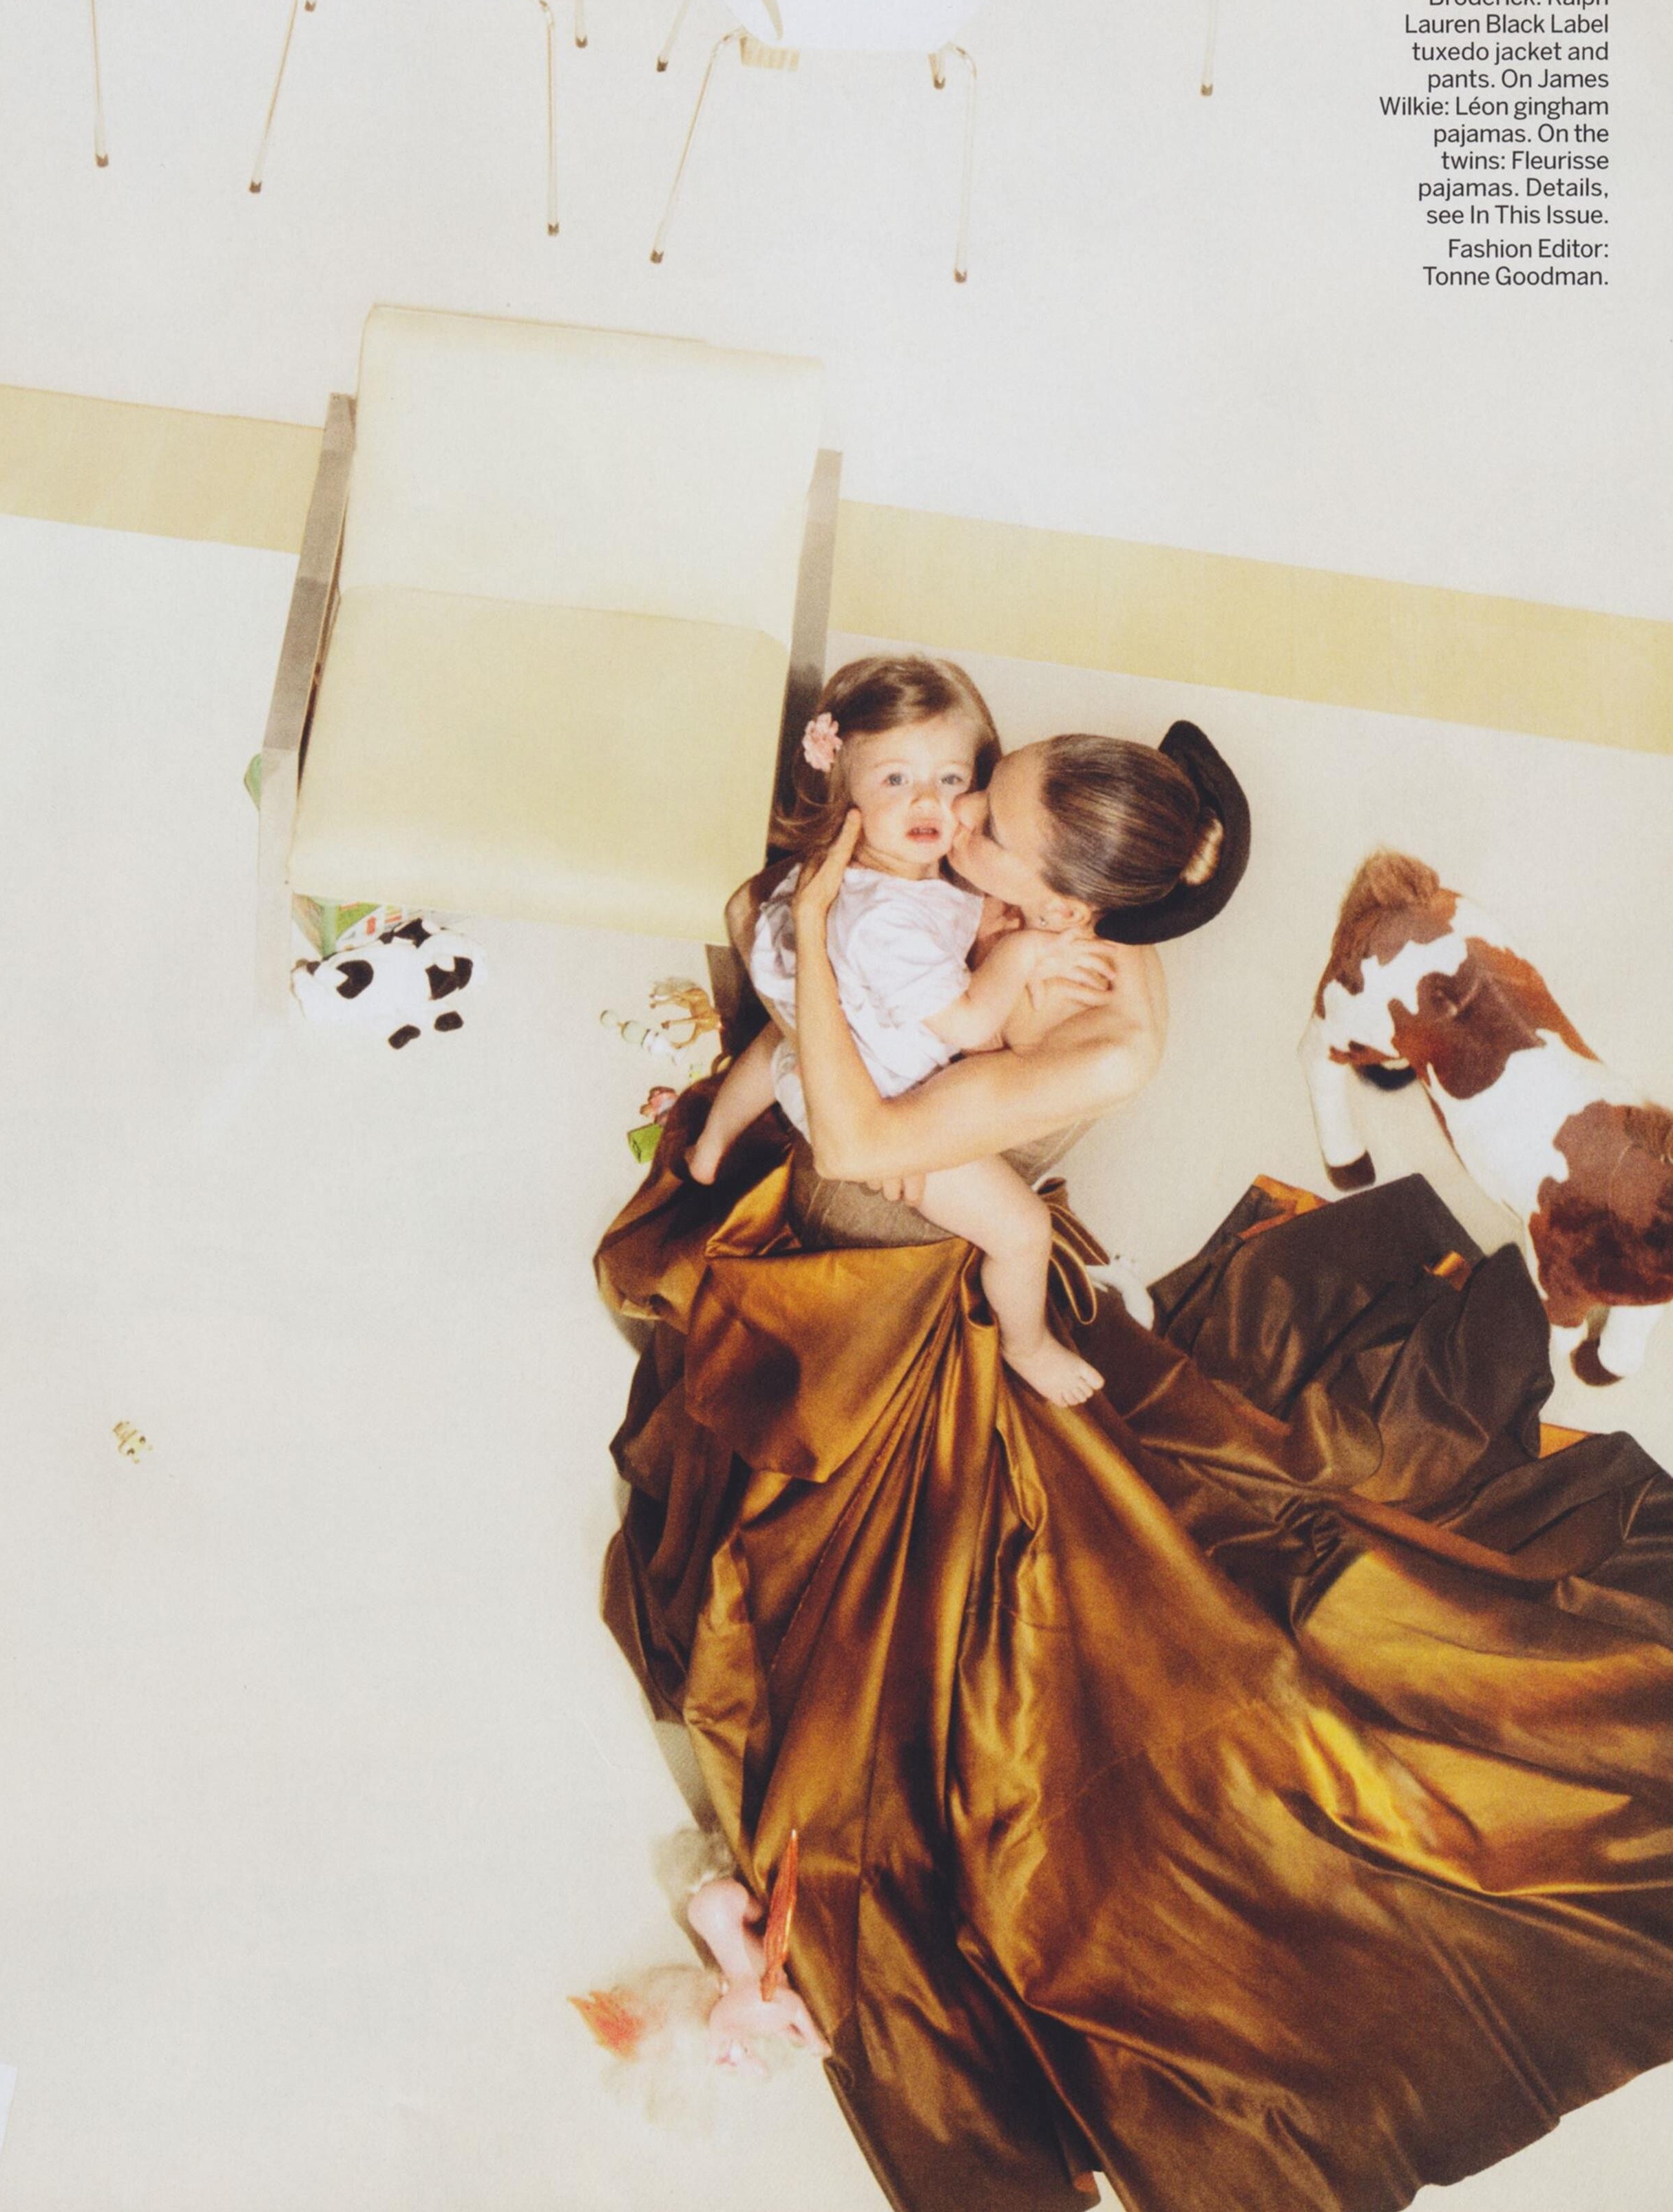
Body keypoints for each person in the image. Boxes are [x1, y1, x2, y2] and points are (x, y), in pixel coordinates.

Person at [597, 674, 1673, 2212]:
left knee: (895, 1657)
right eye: (980, 783)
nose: (954, 817)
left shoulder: (1100, 1024)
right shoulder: (1010, 899)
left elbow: (860, 1140)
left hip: (893, 1269)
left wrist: (820, 921)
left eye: (983, 816)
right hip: (865, 1224)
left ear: (1060, 904)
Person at [690, 654, 1159, 1408]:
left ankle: (712, 1142)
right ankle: (1027, 1345)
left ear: (1064, 905)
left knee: (783, 1049)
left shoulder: (927, 881)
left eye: (955, 781)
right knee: (1023, 1232)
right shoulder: (907, 908)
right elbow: (961, 1034)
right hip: (866, 1104)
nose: (947, 807)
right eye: (896, 780)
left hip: (868, 1079)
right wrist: (1020, 951)